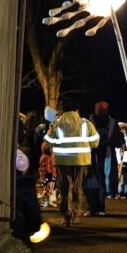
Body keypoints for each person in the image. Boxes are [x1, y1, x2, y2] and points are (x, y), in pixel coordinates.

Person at [45, 97, 99, 226]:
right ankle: (76, 215)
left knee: (64, 189)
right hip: (82, 160)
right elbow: (95, 142)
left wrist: (58, 145)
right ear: (77, 109)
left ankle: (67, 217)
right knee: (77, 188)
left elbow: (48, 140)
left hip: (62, 160)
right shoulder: (86, 123)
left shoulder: (57, 123)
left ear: (63, 110)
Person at [90, 101, 124, 200]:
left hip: (108, 154)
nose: (101, 112)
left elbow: (119, 141)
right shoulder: (90, 122)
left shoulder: (112, 123)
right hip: (93, 154)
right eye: (100, 110)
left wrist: (108, 142)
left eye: (103, 110)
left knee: (107, 177)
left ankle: (108, 192)